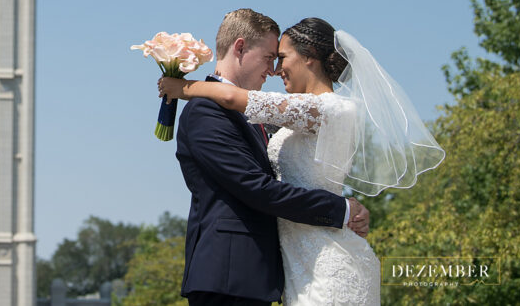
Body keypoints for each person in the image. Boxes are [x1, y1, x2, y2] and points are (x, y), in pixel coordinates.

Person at [161, 16, 445, 305]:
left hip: (315, 261)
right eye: (270, 57)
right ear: (240, 47)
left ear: (309, 58)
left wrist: (182, 86)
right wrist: (343, 209)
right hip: (246, 271)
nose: (274, 70)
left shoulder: (322, 110)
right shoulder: (212, 113)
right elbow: (254, 185)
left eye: (280, 58)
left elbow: (233, 97)